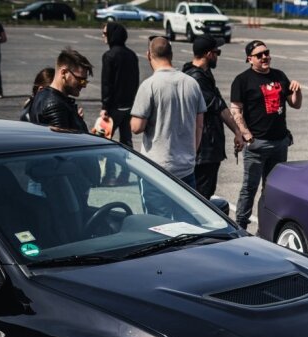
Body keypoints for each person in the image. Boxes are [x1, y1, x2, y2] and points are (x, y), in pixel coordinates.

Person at [230, 40, 303, 231]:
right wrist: (246, 135)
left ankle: (265, 229)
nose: (264, 57)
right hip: (257, 145)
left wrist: (297, 91)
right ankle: (240, 227)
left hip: (279, 143)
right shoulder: (242, 80)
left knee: (271, 190)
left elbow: (295, 104)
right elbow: (236, 109)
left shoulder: (279, 76)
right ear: (249, 59)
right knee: (249, 189)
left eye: (266, 53)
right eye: (259, 55)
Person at [131, 36, 206, 219]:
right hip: (186, 167)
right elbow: (199, 124)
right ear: (171, 54)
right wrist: (192, 152)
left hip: (157, 169)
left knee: (159, 225)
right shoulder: (191, 83)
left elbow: (136, 127)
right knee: (188, 224)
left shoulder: (149, 85)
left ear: (149, 55)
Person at [183, 35, 243, 199]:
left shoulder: (200, 74)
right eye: (217, 52)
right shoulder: (197, 79)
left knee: (200, 195)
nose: (218, 56)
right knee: (201, 198)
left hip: (204, 148)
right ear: (209, 54)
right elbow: (218, 106)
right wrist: (237, 132)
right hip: (204, 151)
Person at [28, 48, 92, 132]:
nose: (83, 85)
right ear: (64, 73)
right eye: (80, 80)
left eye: (85, 81)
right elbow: (66, 142)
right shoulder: (56, 105)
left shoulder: (42, 94)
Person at [100, 23, 139, 149]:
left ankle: (105, 166)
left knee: (104, 139)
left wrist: (104, 106)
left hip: (113, 107)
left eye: (105, 33)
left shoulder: (109, 56)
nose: (103, 36)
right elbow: (135, 80)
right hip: (129, 106)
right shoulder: (132, 55)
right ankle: (126, 166)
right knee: (126, 141)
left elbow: (107, 83)